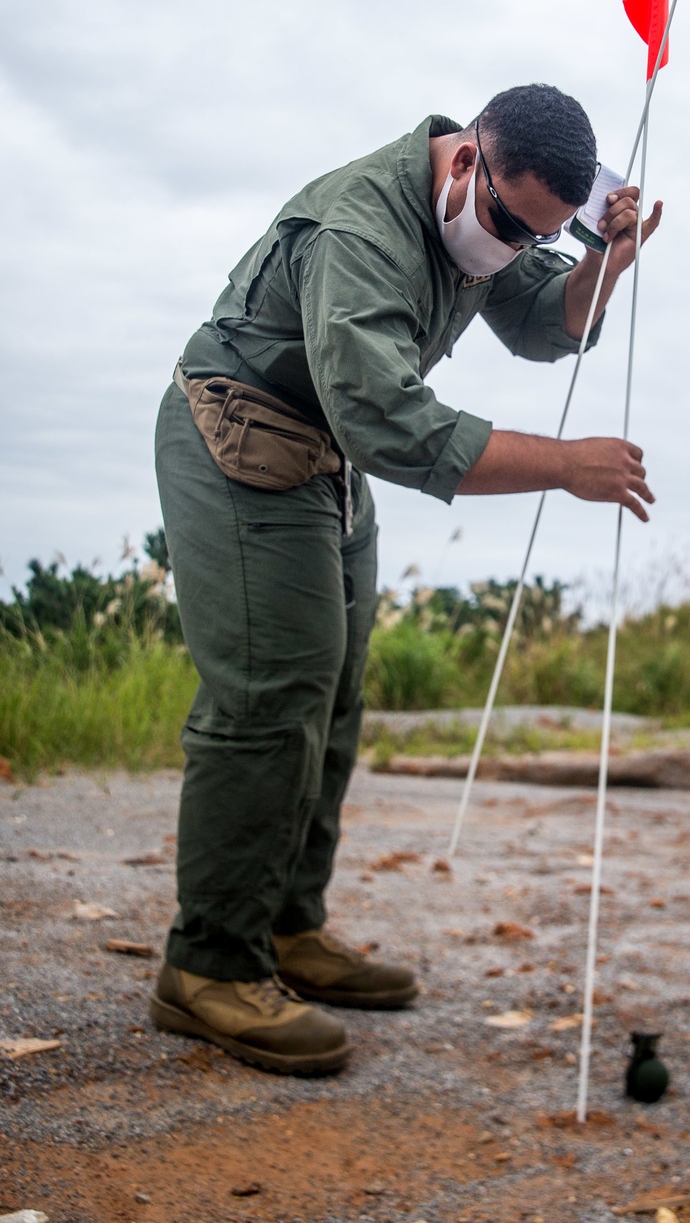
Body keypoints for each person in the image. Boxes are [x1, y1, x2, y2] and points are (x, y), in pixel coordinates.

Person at [150, 83, 660, 1075]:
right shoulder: (365, 224)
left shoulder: (490, 223)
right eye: (513, 223)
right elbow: (385, 418)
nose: (515, 247)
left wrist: (603, 260)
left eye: (540, 234)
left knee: (330, 695)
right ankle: (207, 969)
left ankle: (286, 931)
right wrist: (562, 464)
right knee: (271, 689)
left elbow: (541, 323)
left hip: (327, 455)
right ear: (466, 160)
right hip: (242, 433)